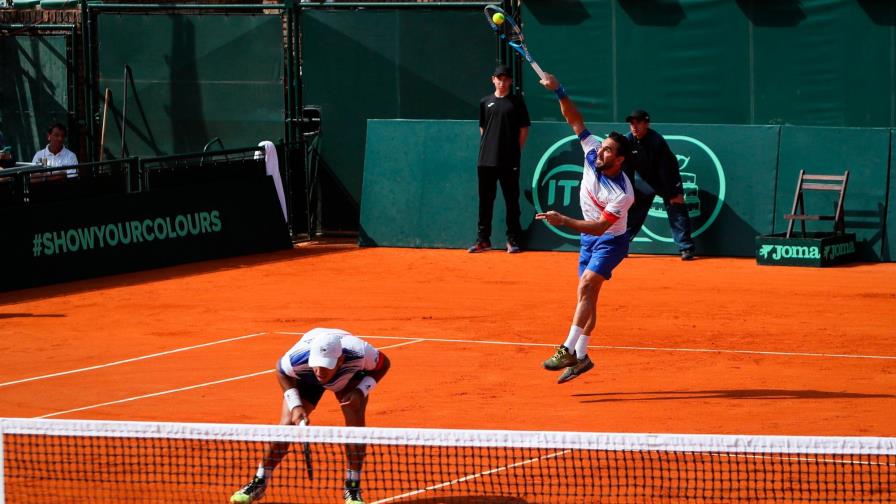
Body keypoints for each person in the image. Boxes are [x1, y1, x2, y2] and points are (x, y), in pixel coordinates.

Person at [535, 73, 634, 384]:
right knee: (588, 295)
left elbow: (600, 227)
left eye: (608, 151)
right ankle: (582, 356)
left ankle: (567, 349)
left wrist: (563, 220)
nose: (600, 152)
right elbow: (575, 121)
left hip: (610, 241)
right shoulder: (592, 154)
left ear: (619, 159)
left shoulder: (623, 194)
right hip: (588, 239)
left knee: (587, 285)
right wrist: (559, 91)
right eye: (602, 147)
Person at [231, 328, 391, 504]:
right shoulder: (298, 359)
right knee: (287, 426)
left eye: (326, 366)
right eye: (317, 364)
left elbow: (384, 365)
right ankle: (258, 482)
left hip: (347, 378)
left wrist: (361, 391)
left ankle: (352, 488)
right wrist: (295, 406)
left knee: (355, 429)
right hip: (307, 378)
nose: (320, 371)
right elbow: (281, 371)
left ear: (340, 360)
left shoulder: (361, 353)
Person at [469, 64, 531, 254]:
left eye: (506, 79)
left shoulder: (516, 102)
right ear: (493, 80)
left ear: (510, 81)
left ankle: (513, 240)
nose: (502, 82)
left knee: (512, 202)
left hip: (509, 161)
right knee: (485, 202)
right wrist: (488, 147)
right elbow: (483, 128)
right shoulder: (485, 102)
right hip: (485, 161)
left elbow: (524, 128)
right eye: (499, 79)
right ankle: (483, 240)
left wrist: (515, 150)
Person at [623, 109, 696, 260]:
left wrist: (671, 192)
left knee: (676, 204)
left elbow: (666, 169)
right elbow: (627, 169)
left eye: (638, 123)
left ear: (647, 124)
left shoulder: (656, 141)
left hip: (667, 177)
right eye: (631, 123)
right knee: (634, 210)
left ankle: (686, 248)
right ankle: (621, 246)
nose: (634, 126)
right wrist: (629, 192)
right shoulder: (627, 141)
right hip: (644, 180)